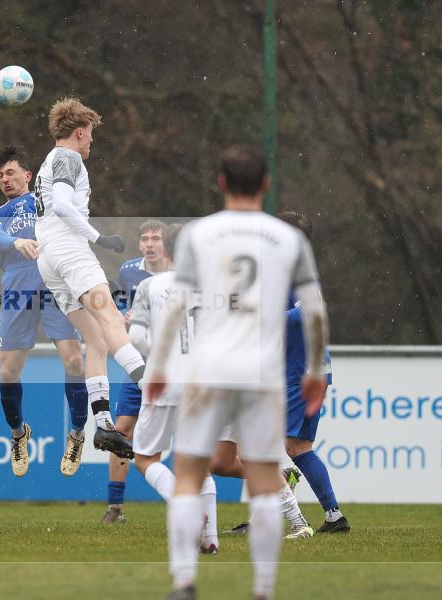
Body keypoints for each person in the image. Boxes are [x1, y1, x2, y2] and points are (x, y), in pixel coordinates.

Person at [146, 146, 330, 600]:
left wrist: (159, 364)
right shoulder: (287, 239)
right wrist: (313, 369)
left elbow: (176, 307)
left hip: (208, 369)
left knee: (189, 473)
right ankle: (263, 589)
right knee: (264, 479)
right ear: (266, 185)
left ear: (221, 183)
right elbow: (316, 311)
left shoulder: (200, 235)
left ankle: (185, 582)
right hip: (261, 372)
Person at [33, 97, 148, 460]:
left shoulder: (46, 162)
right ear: (79, 132)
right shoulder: (66, 157)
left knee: (96, 338)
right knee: (113, 320)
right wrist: (99, 238)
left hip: (48, 258)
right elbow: (65, 206)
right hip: (69, 251)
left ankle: (103, 424)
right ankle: (154, 388)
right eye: (91, 135)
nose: (91, 142)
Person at [0, 146, 89, 478]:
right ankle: (18, 434)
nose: (5, 179)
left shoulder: (46, 202)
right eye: (0, 175)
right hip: (17, 286)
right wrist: (15, 242)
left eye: (11, 172)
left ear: (28, 175)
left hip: (55, 283)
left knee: (74, 361)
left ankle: (77, 434)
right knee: (6, 374)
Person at [125, 223, 221, 553]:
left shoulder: (150, 286)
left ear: (165, 250)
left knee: (145, 458)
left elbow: (136, 337)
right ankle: (210, 540)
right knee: (197, 463)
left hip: (162, 383)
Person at [276, 211, 348, 533]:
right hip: (312, 368)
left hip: (298, 372)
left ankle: (278, 515)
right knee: (298, 447)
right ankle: (334, 517)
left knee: (264, 444)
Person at [102, 219, 168, 525]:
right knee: (120, 431)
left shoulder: (180, 274)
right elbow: (115, 307)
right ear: (140, 243)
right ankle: (115, 508)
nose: (151, 243)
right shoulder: (128, 272)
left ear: (165, 244)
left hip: (171, 367)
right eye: (146, 239)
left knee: (197, 435)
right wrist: (123, 316)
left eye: (156, 238)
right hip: (138, 365)